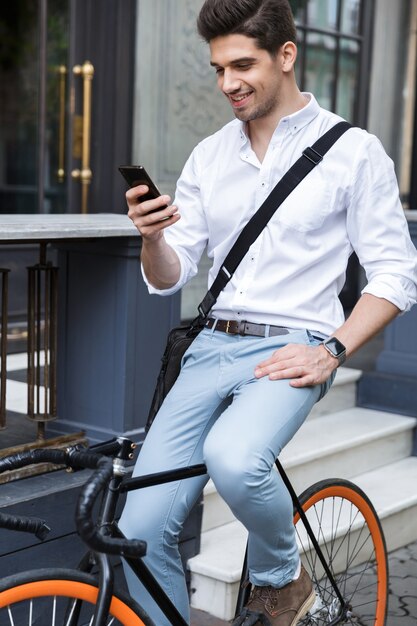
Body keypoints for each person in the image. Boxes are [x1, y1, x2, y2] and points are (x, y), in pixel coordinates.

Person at [119, 1, 417, 625]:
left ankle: (282, 580)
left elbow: (397, 273)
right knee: (139, 528)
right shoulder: (209, 155)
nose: (228, 83)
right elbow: (171, 271)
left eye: (243, 64)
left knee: (234, 457)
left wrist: (331, 349)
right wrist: (152, 238)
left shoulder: (353, 152)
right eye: (219, 68)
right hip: (209, 347)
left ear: (286, 55)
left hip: (293, 346)